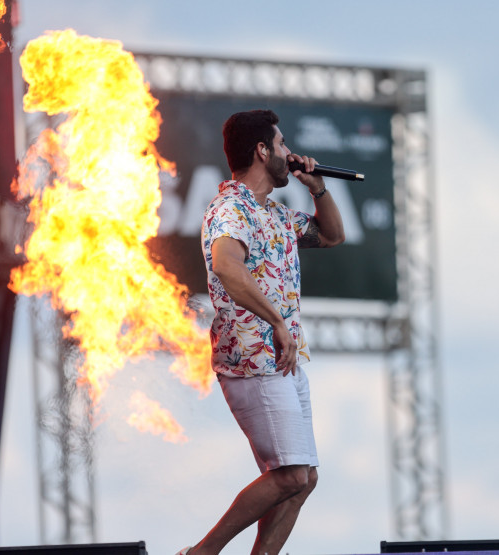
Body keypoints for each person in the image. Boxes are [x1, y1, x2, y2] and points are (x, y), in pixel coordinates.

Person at [181, 110, 345, 555]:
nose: (290, 152)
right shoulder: (230, 209)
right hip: (252, 360)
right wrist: (276, 321)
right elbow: (227, 266)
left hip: (285, 361)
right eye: (283, 144)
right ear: (262, 151)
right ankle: (200, 553)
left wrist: (320, 189)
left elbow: (332, 236)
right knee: (291, 473)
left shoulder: (274, 213)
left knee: (304, 479)